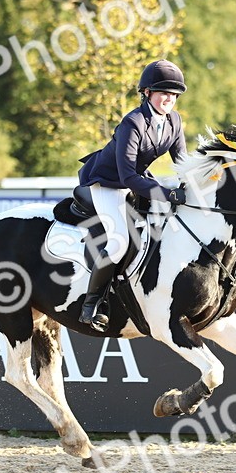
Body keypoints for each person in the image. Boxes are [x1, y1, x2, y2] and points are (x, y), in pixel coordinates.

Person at [76, 59, 189, 330]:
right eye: (164, 93)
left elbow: (183, 164)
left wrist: (192, 188)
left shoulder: (174, 121)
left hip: (137, 180)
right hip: (108, 183)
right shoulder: (133, 122)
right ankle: (91, 305)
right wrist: (166, 194)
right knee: (118, 242)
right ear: (147, 92)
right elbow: (127, 177)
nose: (169, 99)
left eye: (174, 95)